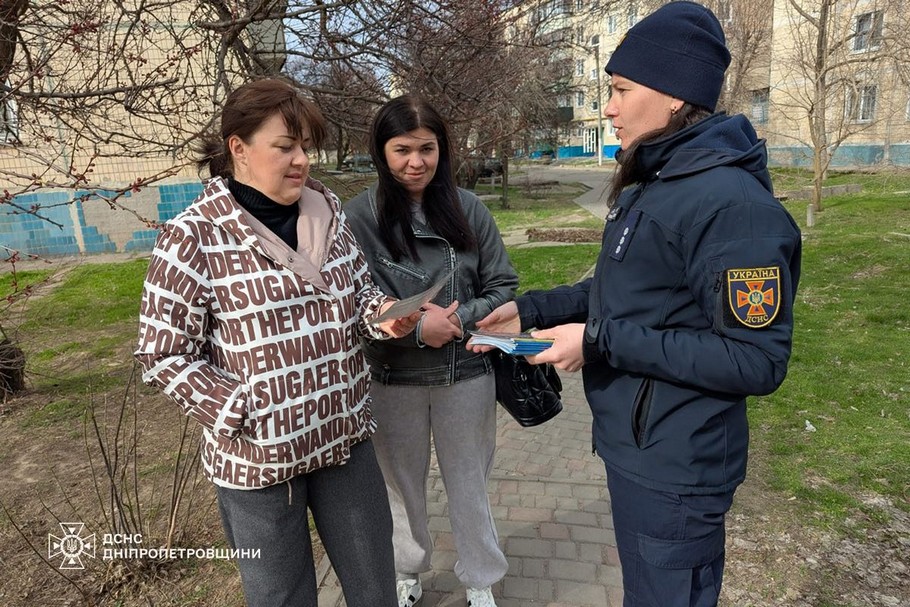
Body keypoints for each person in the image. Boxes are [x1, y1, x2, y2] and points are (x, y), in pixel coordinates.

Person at [470, 3, 802, 606]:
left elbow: (756, 360)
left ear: (675, 95)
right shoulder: (657, 183)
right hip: (639, 451)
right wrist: (536, 311)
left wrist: (596, 341)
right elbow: (627, 291)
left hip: (678, 469)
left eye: (621, 89)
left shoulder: (734, 209)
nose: (609, 107)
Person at [134, 78, 421, 607]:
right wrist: (239, 406)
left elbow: (358, 294)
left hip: (342, 437)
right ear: (238, 149)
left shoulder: (328, 215)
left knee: (374, 586)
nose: (301, 161)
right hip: (258, 460)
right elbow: (162, 353)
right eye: (285, 146)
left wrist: (384, 318)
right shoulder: (193, 236)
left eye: (306, 147)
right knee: (281, 597)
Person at [345, 95, 518, 607]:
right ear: (381, 152)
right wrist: (419, 327)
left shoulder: (469, 208)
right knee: (400, 489)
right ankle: (407, 570)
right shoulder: (359, 217)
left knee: (470, 484)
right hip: (393, 378)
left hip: (465, 373)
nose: (415, 162)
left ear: (443, 149)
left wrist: (457, 320)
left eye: (427, 148)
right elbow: (356, 300)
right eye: (401, 150)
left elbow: (502, 283)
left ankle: (481, 577)